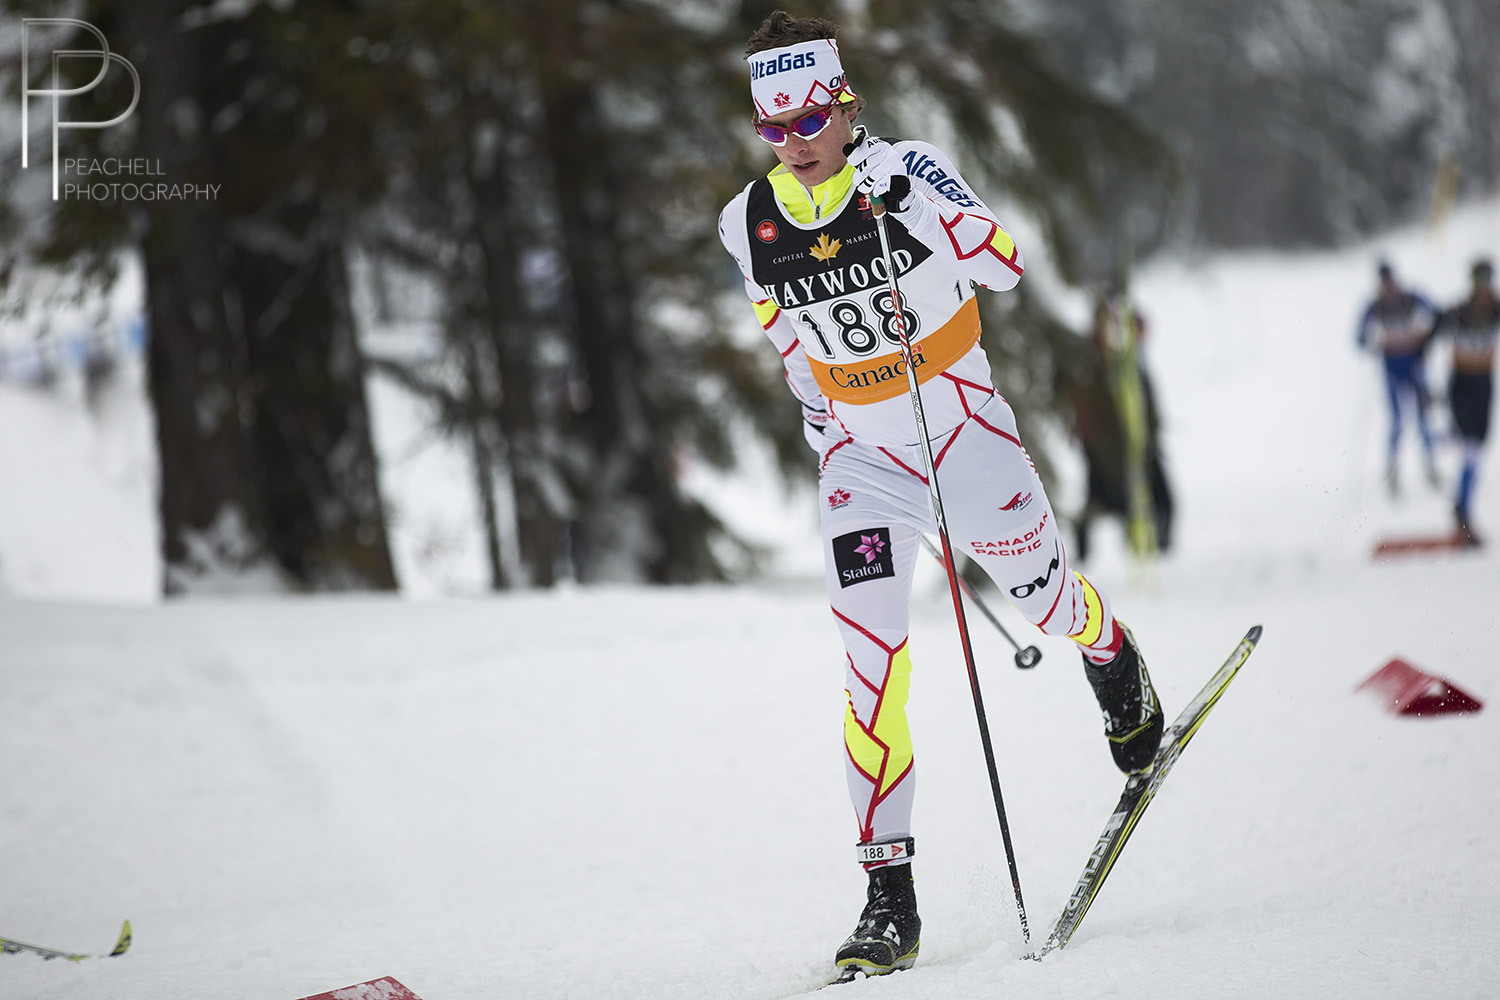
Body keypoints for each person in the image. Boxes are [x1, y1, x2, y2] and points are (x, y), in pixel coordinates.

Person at [717, 11, 1164, 981]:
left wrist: (920, 209)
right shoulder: (746, 221)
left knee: (1040, 600)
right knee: (871, 667)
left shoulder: (909, 172)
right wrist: (825, 428)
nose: (793, 142)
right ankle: (889, 899)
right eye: (774, 126)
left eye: (807, 119)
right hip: (866, 467)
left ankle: (1105, 644)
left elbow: (1001, 264)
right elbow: (790, 339)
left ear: (844, 108)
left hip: (962, 438)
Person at [1070, 292, 1174, 562]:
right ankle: (1085, 557)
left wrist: (1148, 435)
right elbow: (1089, 407)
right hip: (1103, 448)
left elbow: (1145, 405)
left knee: (1158, 501)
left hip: (1133, 444)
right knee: (1107, 503)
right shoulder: (1091, 362)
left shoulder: (1127, 362)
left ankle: (1159, 551)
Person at [1429, 259, 1499, 545]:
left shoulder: (1496, 311)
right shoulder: (1459, 313)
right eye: (1478, 282)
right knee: (1470, 447)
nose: (1483, 289)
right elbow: (1428, 337)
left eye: (1487, 281)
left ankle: (1462, 509)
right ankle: (1463, 513)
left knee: (1476, 451)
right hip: (1461, 383)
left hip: (1484, 383)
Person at [1357, 262, 1439, 493]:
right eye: (1385, 283)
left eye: (1391, 282)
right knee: (1397, 421)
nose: (1389, 288)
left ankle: (1431, 468)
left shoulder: (1411, 298)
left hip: (1414, 366)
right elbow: (1358, 338)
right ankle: (1392, 473)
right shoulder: (1375, 306)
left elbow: (1436, 314)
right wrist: (1370, 343)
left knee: (1424, 418)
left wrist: (1425, 338)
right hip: (1392, 368)